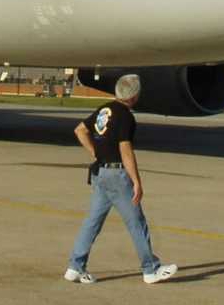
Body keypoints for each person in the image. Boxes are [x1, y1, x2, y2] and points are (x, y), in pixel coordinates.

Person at [64, 74, 177, 285]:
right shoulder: (125, 117)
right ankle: (150, 269)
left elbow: (80, 130)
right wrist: (136, 181)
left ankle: (75, 266)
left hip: (100, 174)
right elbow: (125, 149)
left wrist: (96, 152)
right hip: (117, 175)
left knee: (92, 222)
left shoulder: (104, 110)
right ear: (134, 96)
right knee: (136, 222)